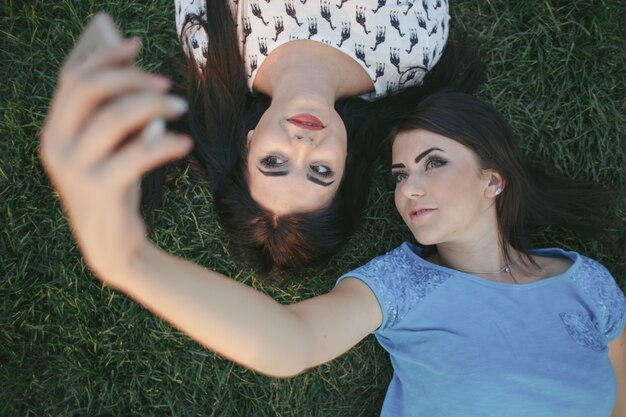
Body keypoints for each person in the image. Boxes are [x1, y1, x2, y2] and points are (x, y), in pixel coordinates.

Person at [40, 18, 625, 414]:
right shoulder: (404, 286)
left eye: (432, 163)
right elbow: (289, 342)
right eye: (399, 175)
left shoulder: (590, 284)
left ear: (493, 179)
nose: (407, 190)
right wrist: (127, 261)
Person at [142, 0, 467, 272]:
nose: (302, 146)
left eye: (274, 161)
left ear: (249, 142)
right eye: (321, 170)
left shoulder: (213, 46)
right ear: (346, 161)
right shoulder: (412, 51)